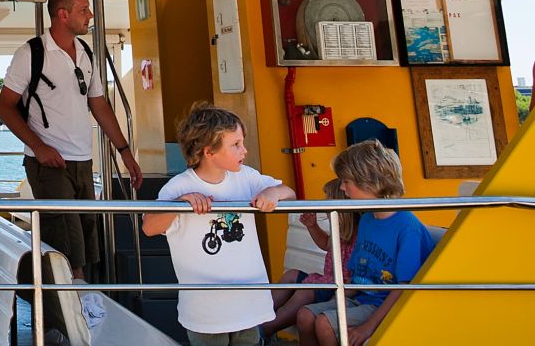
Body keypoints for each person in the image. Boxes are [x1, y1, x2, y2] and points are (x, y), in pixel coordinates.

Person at [0, 0, 143, 281]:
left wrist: (125, 152)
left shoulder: (86, 53)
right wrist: (39, 147)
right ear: (63, 15)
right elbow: (5, 107)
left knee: (87, 240)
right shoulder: (32, 54)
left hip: (83, 162)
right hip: (48, 164)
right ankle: (69, 316)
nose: (90, 16)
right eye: (84, 10)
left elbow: (99, 104)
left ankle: (81, 308)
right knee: (66, 243)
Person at [142, 104, 293, 346]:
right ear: (209, 151)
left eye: (242, 142)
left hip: (248, 302)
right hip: (206, 310)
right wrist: (180, 204)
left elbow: (289, 193)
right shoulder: (178, 187)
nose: (244, 150)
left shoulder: (247, 177)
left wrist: (273, 192)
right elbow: (149, 227)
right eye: (236, 144)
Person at [297, 140, 435, 346]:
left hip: (386, 304)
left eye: (346, 181)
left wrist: (367, 327)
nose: (342, 188)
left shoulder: (407, 227)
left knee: (325, 323)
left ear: (368, 181)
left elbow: (405, 288)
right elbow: (357, 277)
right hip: (363, 296)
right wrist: (330, 298)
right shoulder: (368, 219)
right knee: (305, 315)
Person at [263, 177, 354, 337]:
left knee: (305, 292)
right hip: (325, 279)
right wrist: (313, 226)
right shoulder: (339, 227)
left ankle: (267, 327)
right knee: (291, 275)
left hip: (340, 285)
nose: (325, 205)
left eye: (328, 200)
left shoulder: (357, 232)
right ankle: (259, 314)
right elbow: (326, 244)